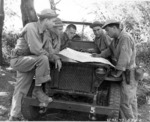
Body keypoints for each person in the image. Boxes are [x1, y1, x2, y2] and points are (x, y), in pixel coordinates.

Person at [9, 9, 59, 121]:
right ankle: (37, 90)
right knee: (43, 58)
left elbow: (48, 50)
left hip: (31, 60)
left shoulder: (45, 33)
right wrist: (49, 56)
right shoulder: (31, 27)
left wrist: (56, 58)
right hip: (20, 59)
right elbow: (36, 50)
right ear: (46, 20)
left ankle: (14, 116)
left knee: (21, 89)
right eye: (53, 21)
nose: (54, 24)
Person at [93, 20, 137, 121]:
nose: (107, 33)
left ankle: (129, 119)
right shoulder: (116, 39)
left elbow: (124, 57)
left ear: (115, 28)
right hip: (126, 72)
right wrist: (99, 55)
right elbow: (109, 50)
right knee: (131, 100)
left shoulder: (125, 38)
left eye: (108, 30)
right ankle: (133, 118)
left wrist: (117, 73)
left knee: (125, 101)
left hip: (129, 73)